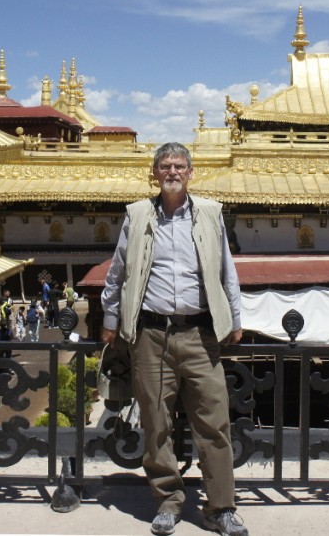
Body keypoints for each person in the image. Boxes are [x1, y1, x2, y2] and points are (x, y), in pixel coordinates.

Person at [101, 142, 247, 536]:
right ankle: (168, 501)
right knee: (156, 423)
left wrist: (235, 316)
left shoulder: (210, 214)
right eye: (165, 166)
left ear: (190, 172)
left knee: (214, 424)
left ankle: (220, 508)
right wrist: (111, 318)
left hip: (200, 333)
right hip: (150, 335)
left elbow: (225, 270)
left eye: (179, 166)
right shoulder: (137, 215)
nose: (172, 172)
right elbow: (117, 273)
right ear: (154, 173)